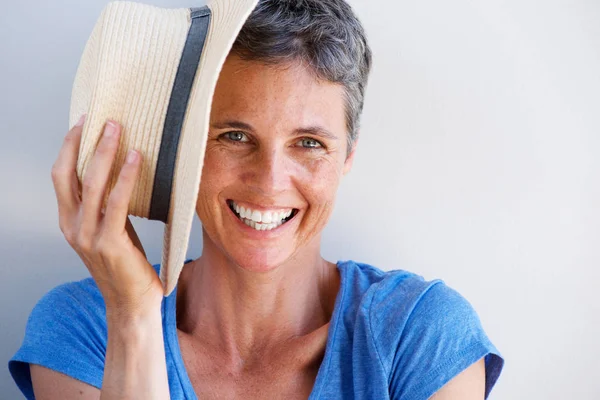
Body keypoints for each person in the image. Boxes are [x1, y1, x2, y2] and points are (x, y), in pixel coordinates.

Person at [9, 0, 504, 398]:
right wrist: (133, 318)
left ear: (348, 154)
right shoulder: (85, 327)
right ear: (185, 150)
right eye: (234, 136)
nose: (269, 182)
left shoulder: (421, 335)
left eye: (309, 143)